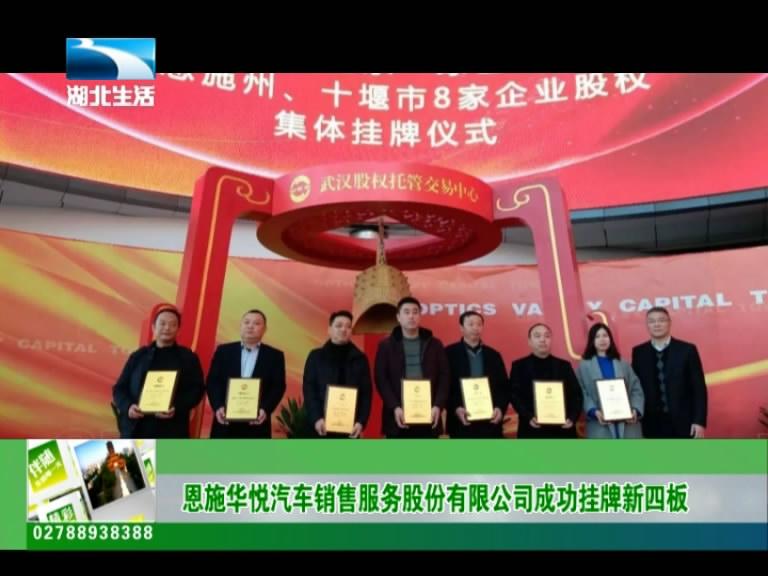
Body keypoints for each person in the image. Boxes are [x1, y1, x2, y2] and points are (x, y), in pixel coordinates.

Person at [112, 307, 204, 438]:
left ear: (178, 330)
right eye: (162, 323)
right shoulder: (138, 356)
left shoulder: (188, 357)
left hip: (173, 429)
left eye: (172, 324)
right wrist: (128, 407)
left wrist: (176, 407)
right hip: (138, 428)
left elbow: (197, 390)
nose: (167, 328)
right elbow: (119, 388)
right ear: (153, 327)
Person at [375, 297, 450, 438]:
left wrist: (438, 405)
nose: (411, 316)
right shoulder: (386, 346)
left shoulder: (435, 344)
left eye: (415, 312)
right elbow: (381, 379)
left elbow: (444, 376)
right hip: (398, 415)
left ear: (420, 316)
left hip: (429, 414)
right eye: (406, 312)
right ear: (398, 317)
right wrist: (394, 406)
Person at [207, 309, 286, 438]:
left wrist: (265, 409)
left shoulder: (275, 356)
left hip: (257, 423)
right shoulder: (223, 351)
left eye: (256, 323)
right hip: (225, 421)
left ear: (265, 329)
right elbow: (213, 381)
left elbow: (278, 386)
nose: (250, 326)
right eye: (247, 322)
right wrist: (218, 406)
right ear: (240, 325)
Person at [632, 307, 707, 438]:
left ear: (669, 323)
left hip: (684, 423)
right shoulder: (639, 352)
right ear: (647, 325)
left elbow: (699, 389)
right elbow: (635, 387)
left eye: (661, 320)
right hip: (651, 424)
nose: (657, 324)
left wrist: (699, 421)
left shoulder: (687, 350)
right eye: (652, 321)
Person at [303, 310, 372, 438]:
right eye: (339, 325)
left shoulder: (360, 359)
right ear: (329, 329)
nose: (344, 329)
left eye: (348, 326)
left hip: (351, 427)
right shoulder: (316, 357)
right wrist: (317, 418)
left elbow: (366, 393)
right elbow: (309, 389)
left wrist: (360, 422)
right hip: (321, 426)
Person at [508, 323, 583, 438]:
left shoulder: (564, 366)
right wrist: (529, 416)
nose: (543, 339)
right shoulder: (519, 366)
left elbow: (576, 395)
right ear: (529, 341)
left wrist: (572, 417)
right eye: (537, 336)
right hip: (532, 429)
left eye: (547, 336)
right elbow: (514, 396)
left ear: (551, 340)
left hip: (562, 429)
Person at [576, 323, 644, 439]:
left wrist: (635, 410)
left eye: (605, 335)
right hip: (599, 424)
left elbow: (636, 389)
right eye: (597, 337)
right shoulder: (584, 366)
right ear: (592, 341)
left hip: (628, 424)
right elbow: (581, 392)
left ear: (610, 339)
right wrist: (593, 411)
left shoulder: (623, 363)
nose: (602, 339)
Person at [445, 311, 507, 438]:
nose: (475, 328)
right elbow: (444, 386)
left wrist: (500, 408)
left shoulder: (494, 355)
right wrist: (455, 408)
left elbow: (504, 387)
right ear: (461, 328)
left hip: (490, 422)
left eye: (479, 324)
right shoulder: (448, 353)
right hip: (460, 421)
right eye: (471, 324)